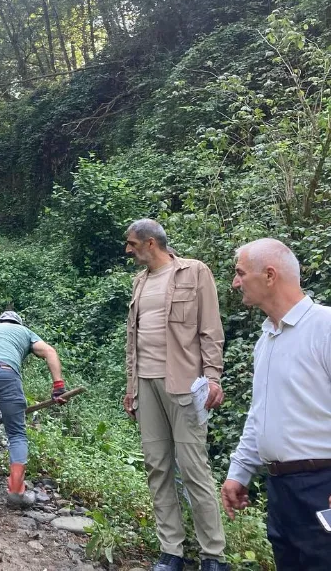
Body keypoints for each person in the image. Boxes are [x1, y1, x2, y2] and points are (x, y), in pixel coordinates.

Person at [221, 238, 331, 570]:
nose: (235, 282)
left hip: (330, 488)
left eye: (240, 273)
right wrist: (240, 471)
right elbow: (260, 415)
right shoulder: (267, 339)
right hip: (282, 491)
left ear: (270, 275)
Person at [122, 219, 229, 571]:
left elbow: (210, 330)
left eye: (132, 244)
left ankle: (213, 555)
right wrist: (131, 388)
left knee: (194, 467)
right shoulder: (140, 282)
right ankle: (172, 552)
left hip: (185, 386)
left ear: (151, 243)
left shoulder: (195, 272)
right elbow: (132, 342)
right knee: (157, 467)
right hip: (146, 385)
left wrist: (212, 377)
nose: (128, 249)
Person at [0, 309, 65, 508]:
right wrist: (58, 386)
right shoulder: (25, 332)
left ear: (0, 321)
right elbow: (50, 352)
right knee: (17, 433)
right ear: (17, 323)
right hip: (5, 373)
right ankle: (15, 492)